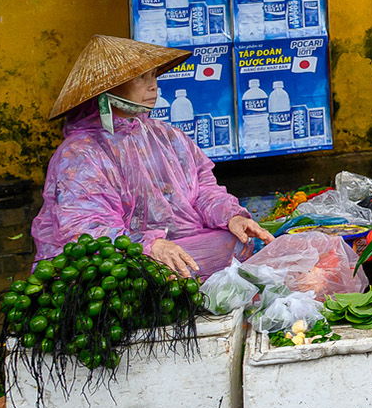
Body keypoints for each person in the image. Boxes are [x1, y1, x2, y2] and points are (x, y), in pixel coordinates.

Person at [32, 35, 273, 278]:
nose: (153, 86)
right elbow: (87, 229)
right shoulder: (80, 154)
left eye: (154, 75)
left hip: (181, 242)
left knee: (241, 242)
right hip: (125, 257)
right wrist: (148, 245)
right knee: (144, 274)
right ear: (107, 89)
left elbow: (203, 189)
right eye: (141, 78)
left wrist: (231, 217)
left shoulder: (166, 135)